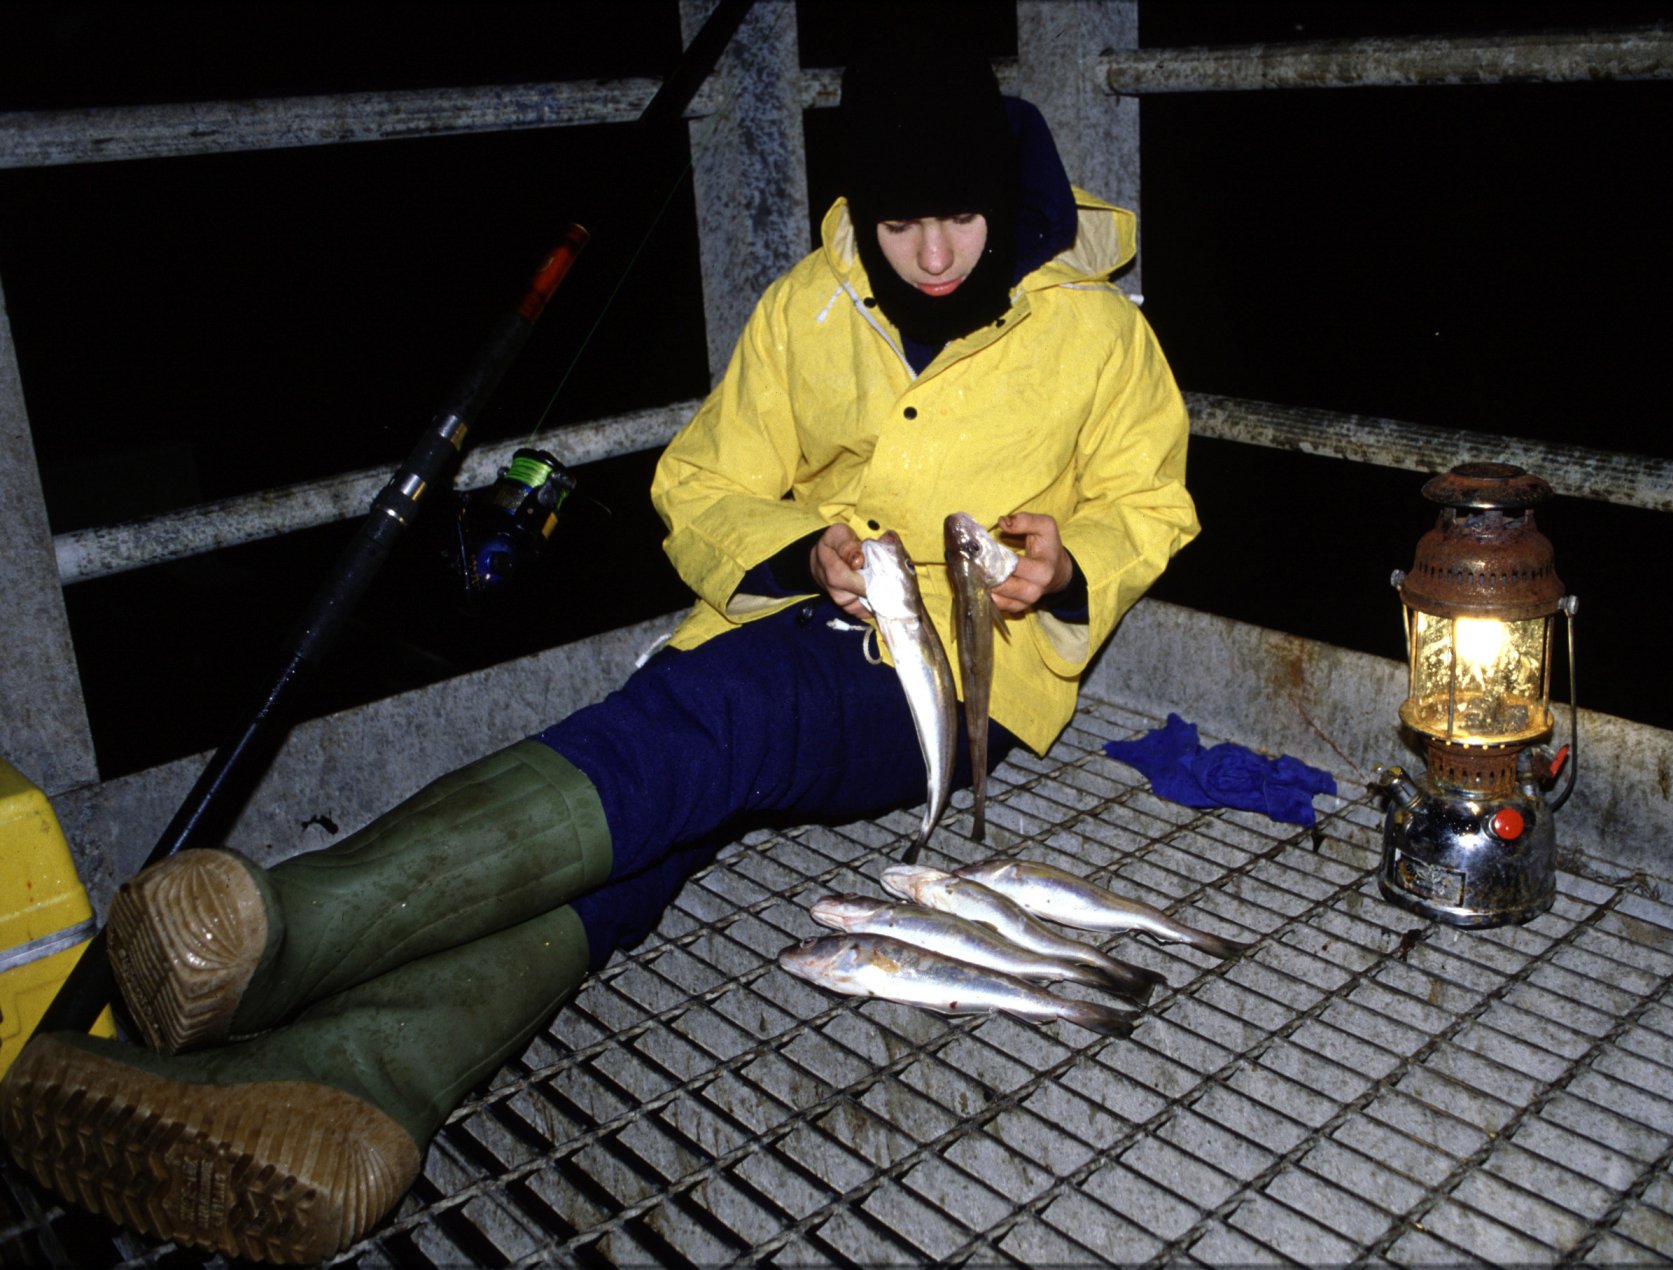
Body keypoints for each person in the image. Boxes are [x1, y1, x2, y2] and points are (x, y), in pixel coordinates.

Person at [0, 53, 1198, 1264]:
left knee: (708, 723)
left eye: (959, 217)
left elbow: (1153, 501)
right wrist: (796, 550)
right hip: (799, 618)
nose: (933, 255)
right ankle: (359, 1080)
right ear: (863, 211)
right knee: (666, 805)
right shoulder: (811, 305)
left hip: (961, 675)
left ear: (1004, 196)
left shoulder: (1093, 332)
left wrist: (1070, 559)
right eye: (899, 222)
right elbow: (699, 482)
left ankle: (299, 929)